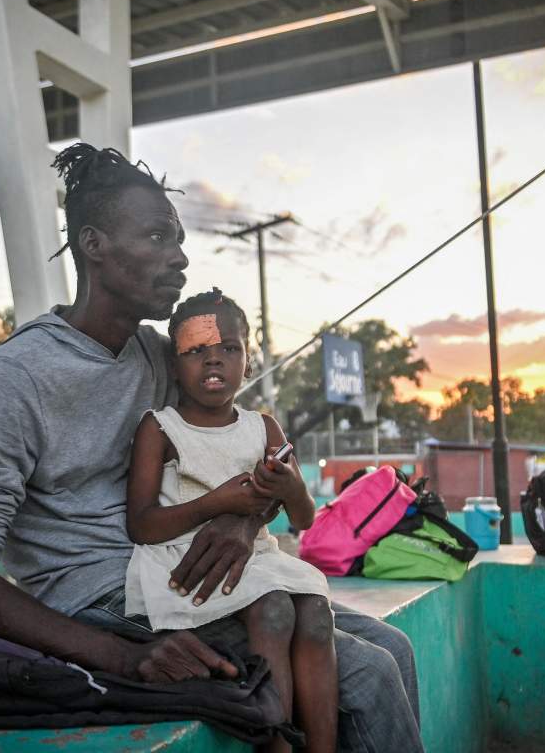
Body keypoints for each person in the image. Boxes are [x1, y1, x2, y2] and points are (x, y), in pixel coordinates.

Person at [0, 144, 421, 752]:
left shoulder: (161, 358)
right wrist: (123, 656)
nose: (181, 257)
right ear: (94, 245)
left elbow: (253, 456)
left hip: (196, 573)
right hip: (100, 598)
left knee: (395, 647)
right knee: (367, 674)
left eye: (180, 238)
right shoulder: (18, 378)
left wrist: (244, 520)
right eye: (159, 236)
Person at [126, 289, 336, 752]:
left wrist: (291, 488)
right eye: (196, 351)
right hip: (188, 564)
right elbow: (141, 525)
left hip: (259, 559)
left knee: (317, 616)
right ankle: (276, 744)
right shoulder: (159, 427)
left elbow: (303, 517)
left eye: (229, 349)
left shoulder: (264, 428)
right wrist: (213, 504)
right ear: (174, 361)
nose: (214, 362)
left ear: (248, 355)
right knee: (276, 610)